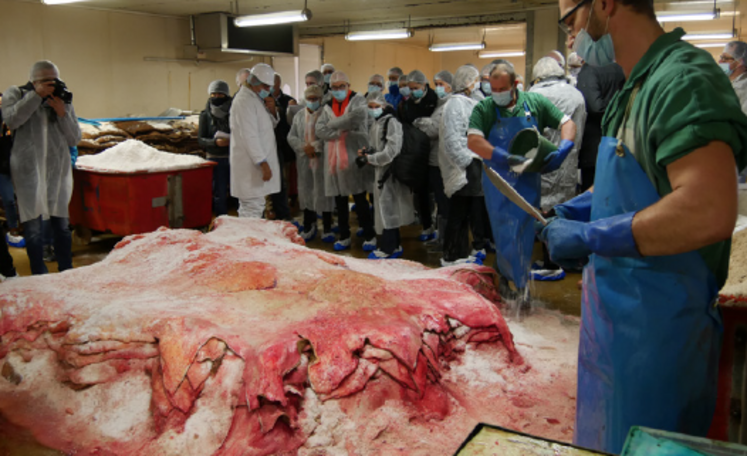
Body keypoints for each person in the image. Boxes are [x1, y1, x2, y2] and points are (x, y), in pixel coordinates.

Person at [546, 0, 747, 452]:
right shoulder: (633, 87)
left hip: (659, 339)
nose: (571, 38)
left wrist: (591, 235)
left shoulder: (683, 80)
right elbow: (638, 176)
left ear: (604, 4)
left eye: (571, 21)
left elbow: (708, 209)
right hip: (612, 330)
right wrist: (580, 207)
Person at [467, 61, 576, 306]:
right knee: (504, 230)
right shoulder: (485, 108)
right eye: (493, 89)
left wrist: (564, 147)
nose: (497, 94)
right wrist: (503, 157)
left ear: (515, 84)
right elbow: (473, 141)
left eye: (502, 89)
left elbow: (567, 123)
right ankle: (511, 281)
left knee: (525, 231)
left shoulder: (534, 103)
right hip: (498, 181)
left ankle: (518, 281)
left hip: (528, 179)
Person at [3, 60, 80, 275]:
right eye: (46, 81)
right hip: (28, 172)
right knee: (34, 227)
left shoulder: (62, 99)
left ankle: (67, 271)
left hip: (58, 171)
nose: (52, 86)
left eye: (55, 80)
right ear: (34, 81)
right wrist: (35, 96)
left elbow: (74, 138)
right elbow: (11, 120)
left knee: (62, 226)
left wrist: (62, 113)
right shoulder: (16, 93)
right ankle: (39, 274)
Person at [529, 57, 587, 278]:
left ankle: (550, 264)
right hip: (568, 159)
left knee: (543, 212)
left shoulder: (533, 94)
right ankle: (565, 259)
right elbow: (578, 130)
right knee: (563, 209)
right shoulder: (576, 94)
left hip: (541, 160)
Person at [315, 71, 377, 252]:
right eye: (334, 87)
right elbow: (320, 130)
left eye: (342, 86)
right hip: (334, 159)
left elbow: (355, 118)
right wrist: (340, 131)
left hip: (354, 156)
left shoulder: (358, 100)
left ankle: (369, 235)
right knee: (340, 200)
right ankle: (344, 236)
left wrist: (332, 125)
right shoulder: (328, 105)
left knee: (360, 198)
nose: (338, 90)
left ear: (348, 86)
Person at [440, 65, 489, 266]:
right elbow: (452, 140)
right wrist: (467, 162)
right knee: (458, 212)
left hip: (473, 163)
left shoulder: (468, 102)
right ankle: (451, 255)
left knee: (466, 211)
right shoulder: (455, 104)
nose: (477, 84)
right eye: (475, 80)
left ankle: (460, 253)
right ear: (467, 82)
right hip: (465, 166)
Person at [358, 92, 415, 259]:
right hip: (381, 172)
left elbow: (391, 151)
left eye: (376, 106)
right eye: (370, 107)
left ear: (384, 106)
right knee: (386, 208)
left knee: (388, 209)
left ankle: (388, 247)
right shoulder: (376, 123)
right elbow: (378, 146)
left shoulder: (392, 122)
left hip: (390, 173)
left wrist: (370, 158)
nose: (373, 109)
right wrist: (368, 153)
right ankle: (395, 245)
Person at [229, 63, 281, 218]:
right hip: (251, 166)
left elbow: (267, 126)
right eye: (265, 86)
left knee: (254, 207)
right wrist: (262, 162)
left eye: (269, 87)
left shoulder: (255, 99)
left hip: (255, 164)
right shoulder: (244, 101)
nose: (268, 90)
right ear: (253, 81)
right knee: (251, 208)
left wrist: (272, 111)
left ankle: (249, 233)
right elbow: (249, 135)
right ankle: (248, 234)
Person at [287, 85, 335, 242]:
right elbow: (291, 136)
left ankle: (327, 228)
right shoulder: (299, 116)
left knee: (324, 193)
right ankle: (309, 225)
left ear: (321, 99)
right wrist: (303, 147)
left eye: (315, 98)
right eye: (309, 98)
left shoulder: (326, 114)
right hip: (304, 161)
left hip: (322, 161)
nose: (312, 101)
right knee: (307, 192)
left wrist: (314, 146)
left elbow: (330, 135)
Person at [412, 70, 453, 249]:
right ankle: (441, 236)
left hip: (441, 161)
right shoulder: (439, 104)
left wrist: (420, 122)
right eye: (436, 84)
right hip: (434, 159)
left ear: (451, 85)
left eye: (441, 84)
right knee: (439, 201)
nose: (438, 88)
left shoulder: (449, 105)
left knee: (444, 202)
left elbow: (433, 129)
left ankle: (446, 240)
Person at [400, 70, 439, 242]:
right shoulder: (408, 104)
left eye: (415, 88)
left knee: (438, 192)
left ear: (424, 85)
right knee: (421, 191)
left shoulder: (435, 100)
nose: (412, 91)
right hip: (417, 152)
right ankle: (426, 225)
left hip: (434, 151)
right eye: (410, 88)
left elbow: (436, 126)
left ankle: (438, 226)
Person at [575, 60, 625, 191]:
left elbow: (595, 107)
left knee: (593, 195)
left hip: (594, 146)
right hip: (619, 142)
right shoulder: (620, 67)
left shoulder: (589, 71)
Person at [198, 80, 233, 217]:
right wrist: (215, 143)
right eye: (214, 94)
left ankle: (240, 222)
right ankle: (221, 220)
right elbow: (201, 139)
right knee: (219, 192)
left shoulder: (234, 112)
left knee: (237, 191)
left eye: (220, 94)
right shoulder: (205, 115)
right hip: (215, 158)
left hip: (233, 157)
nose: (216, 97)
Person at [269, 73, 297, 222]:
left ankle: (285, 210)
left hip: (284, 145)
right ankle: (271, 209)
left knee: (283, 181)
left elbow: (293, 124)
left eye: (273, 83)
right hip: (268, 146)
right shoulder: (261, 100)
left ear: (279, 84)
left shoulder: (288, 101)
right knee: (269, 180)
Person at [0, 92, 24, 248]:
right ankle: (12, 229)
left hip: (9, 166)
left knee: (12, 199)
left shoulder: (10, 122)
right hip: (3, 166)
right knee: (8, 199)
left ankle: (15, 229)